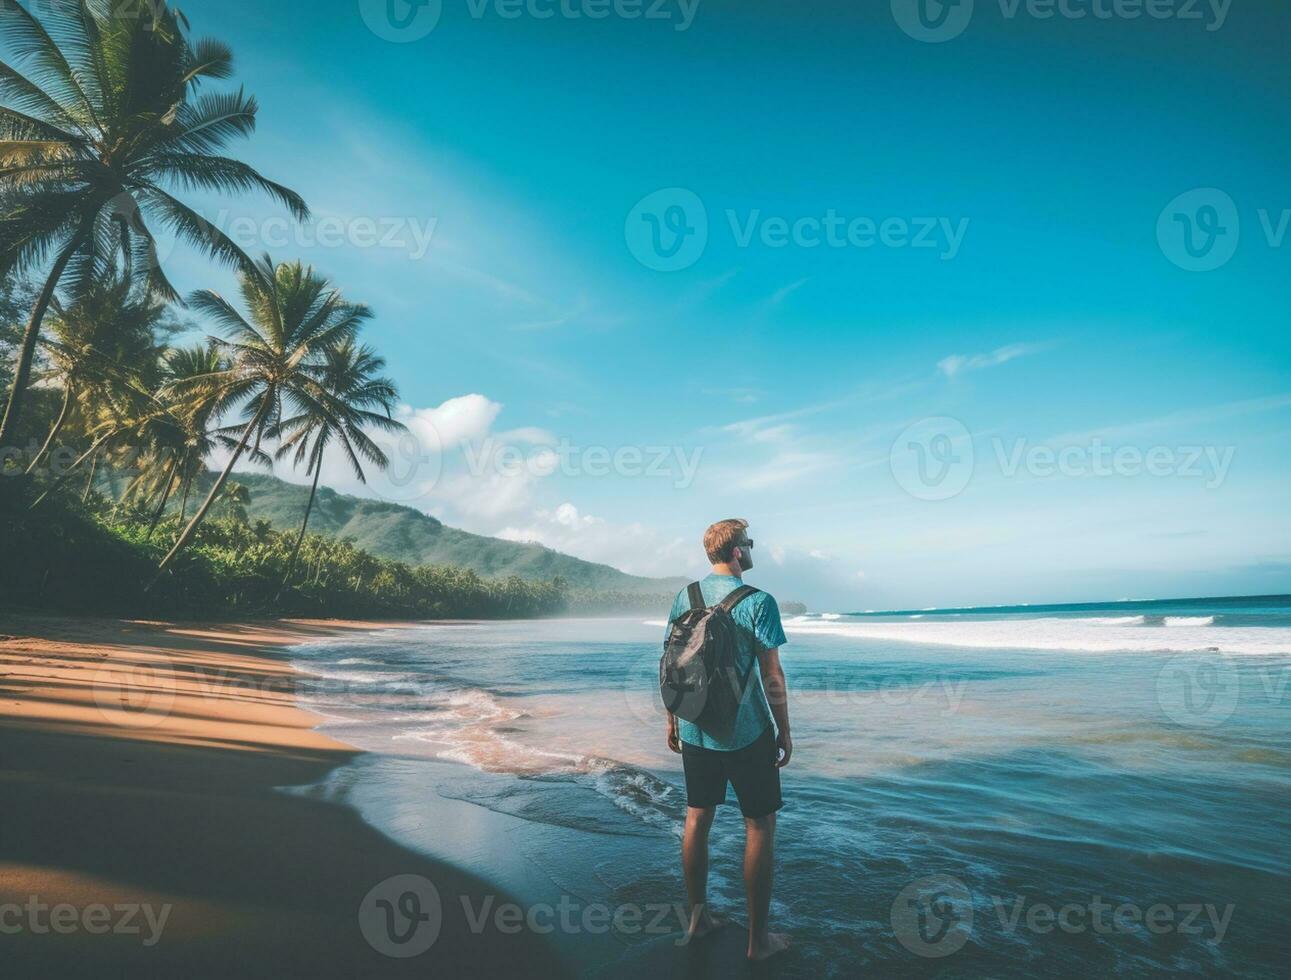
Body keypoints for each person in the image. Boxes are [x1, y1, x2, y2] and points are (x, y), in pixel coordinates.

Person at [664, 518, 792, 961]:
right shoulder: (759, 602)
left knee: (697, 819)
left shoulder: (686, 596)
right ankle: (758, 942)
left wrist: (672, 718)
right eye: (749, 544)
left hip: (696, 725)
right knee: (759, 825)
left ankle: (698, 920)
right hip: (746, 731)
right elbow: (772, 674)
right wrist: (784, 730)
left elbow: (672, 659)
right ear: (737, 551)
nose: (751, 550)